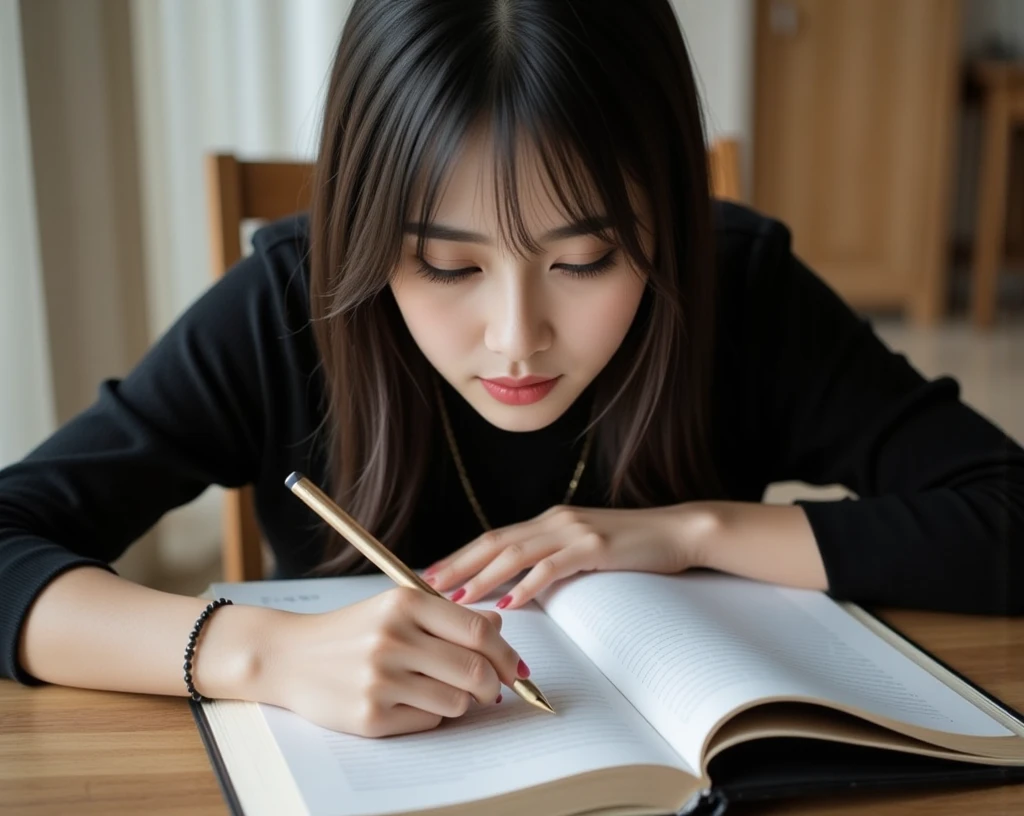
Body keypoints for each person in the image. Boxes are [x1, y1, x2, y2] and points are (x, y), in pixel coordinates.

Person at [1, 0, 1022, 739]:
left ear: (663, 214)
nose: (515, 336)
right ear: (366, 225)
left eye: (586, 260)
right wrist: (257, 653)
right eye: (447, 264)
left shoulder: (737, 290)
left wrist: (690, 530)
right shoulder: (290, 307)